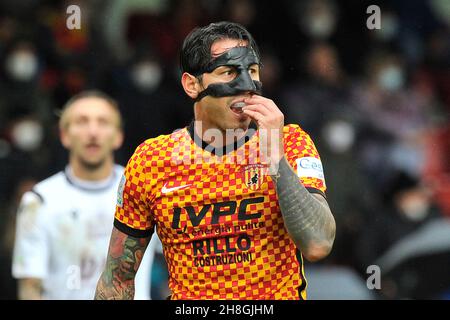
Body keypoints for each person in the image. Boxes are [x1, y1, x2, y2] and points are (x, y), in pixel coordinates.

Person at [95, 21, 336, 300]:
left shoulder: (290, 142)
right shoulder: (151, 161)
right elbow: (118, 278)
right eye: (229, 72)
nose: (246, 86)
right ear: (191, 84)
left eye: (253, 71)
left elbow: (318, 244)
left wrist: (274, 156)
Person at [12, 90, 157, 299]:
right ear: (64, 135)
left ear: (118, 137)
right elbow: (30, 287)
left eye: (103, 122)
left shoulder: (146, 189)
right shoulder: (38, 201)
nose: (93, 132)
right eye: (81, 121)